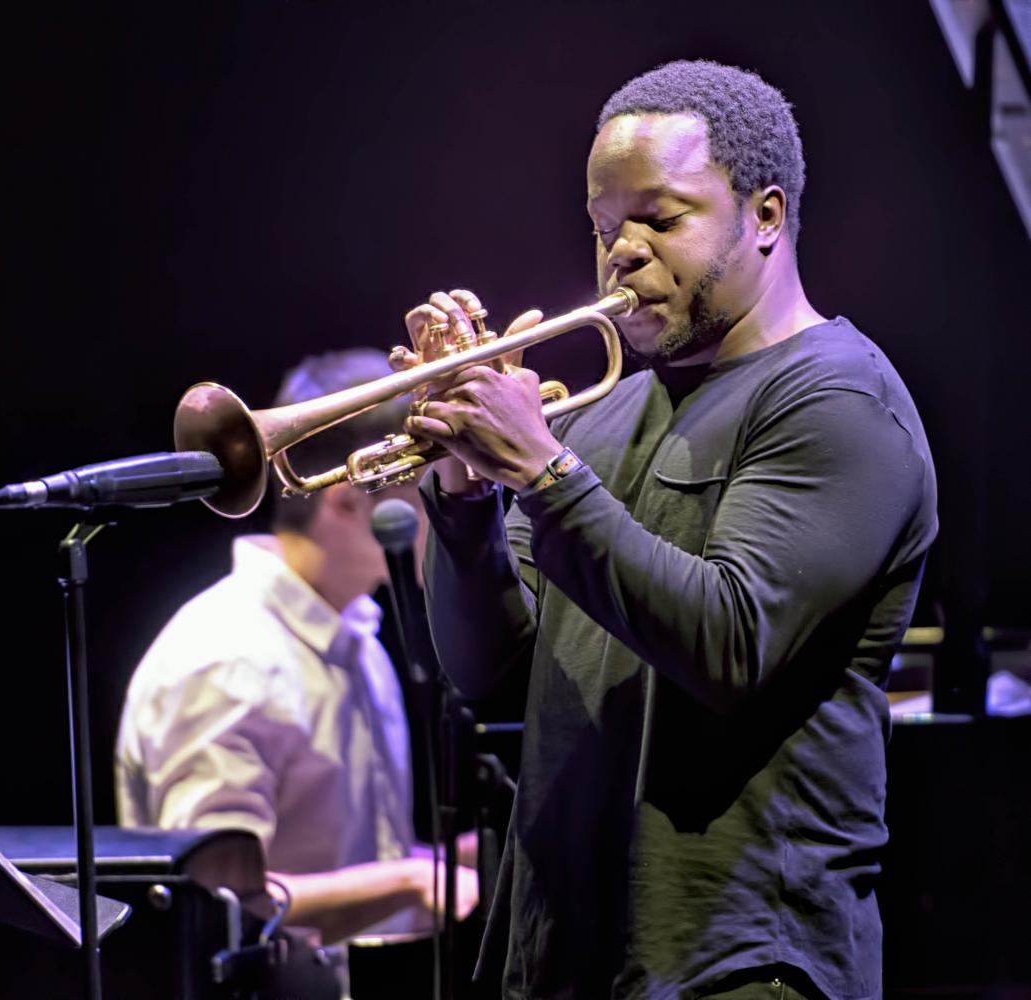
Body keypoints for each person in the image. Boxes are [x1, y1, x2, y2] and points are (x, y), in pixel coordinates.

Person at [398, 61, 937, 999]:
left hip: (736, 961)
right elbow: (497, 671)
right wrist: (463, 487)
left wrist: (538, 469)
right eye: (606, 226)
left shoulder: (838, 400)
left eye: (661, 217)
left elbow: (728, 645)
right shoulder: (602, 415)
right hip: (566, 954)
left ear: (764, 216)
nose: (623, 252)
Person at [115, 348, 477, 946]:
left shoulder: (355, 633)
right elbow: (216, 903)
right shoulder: (228, 659)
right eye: (433, 478)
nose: (453, 494)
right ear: (347, 499)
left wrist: (462, 858)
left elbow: (339, 861)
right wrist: (413, 882)